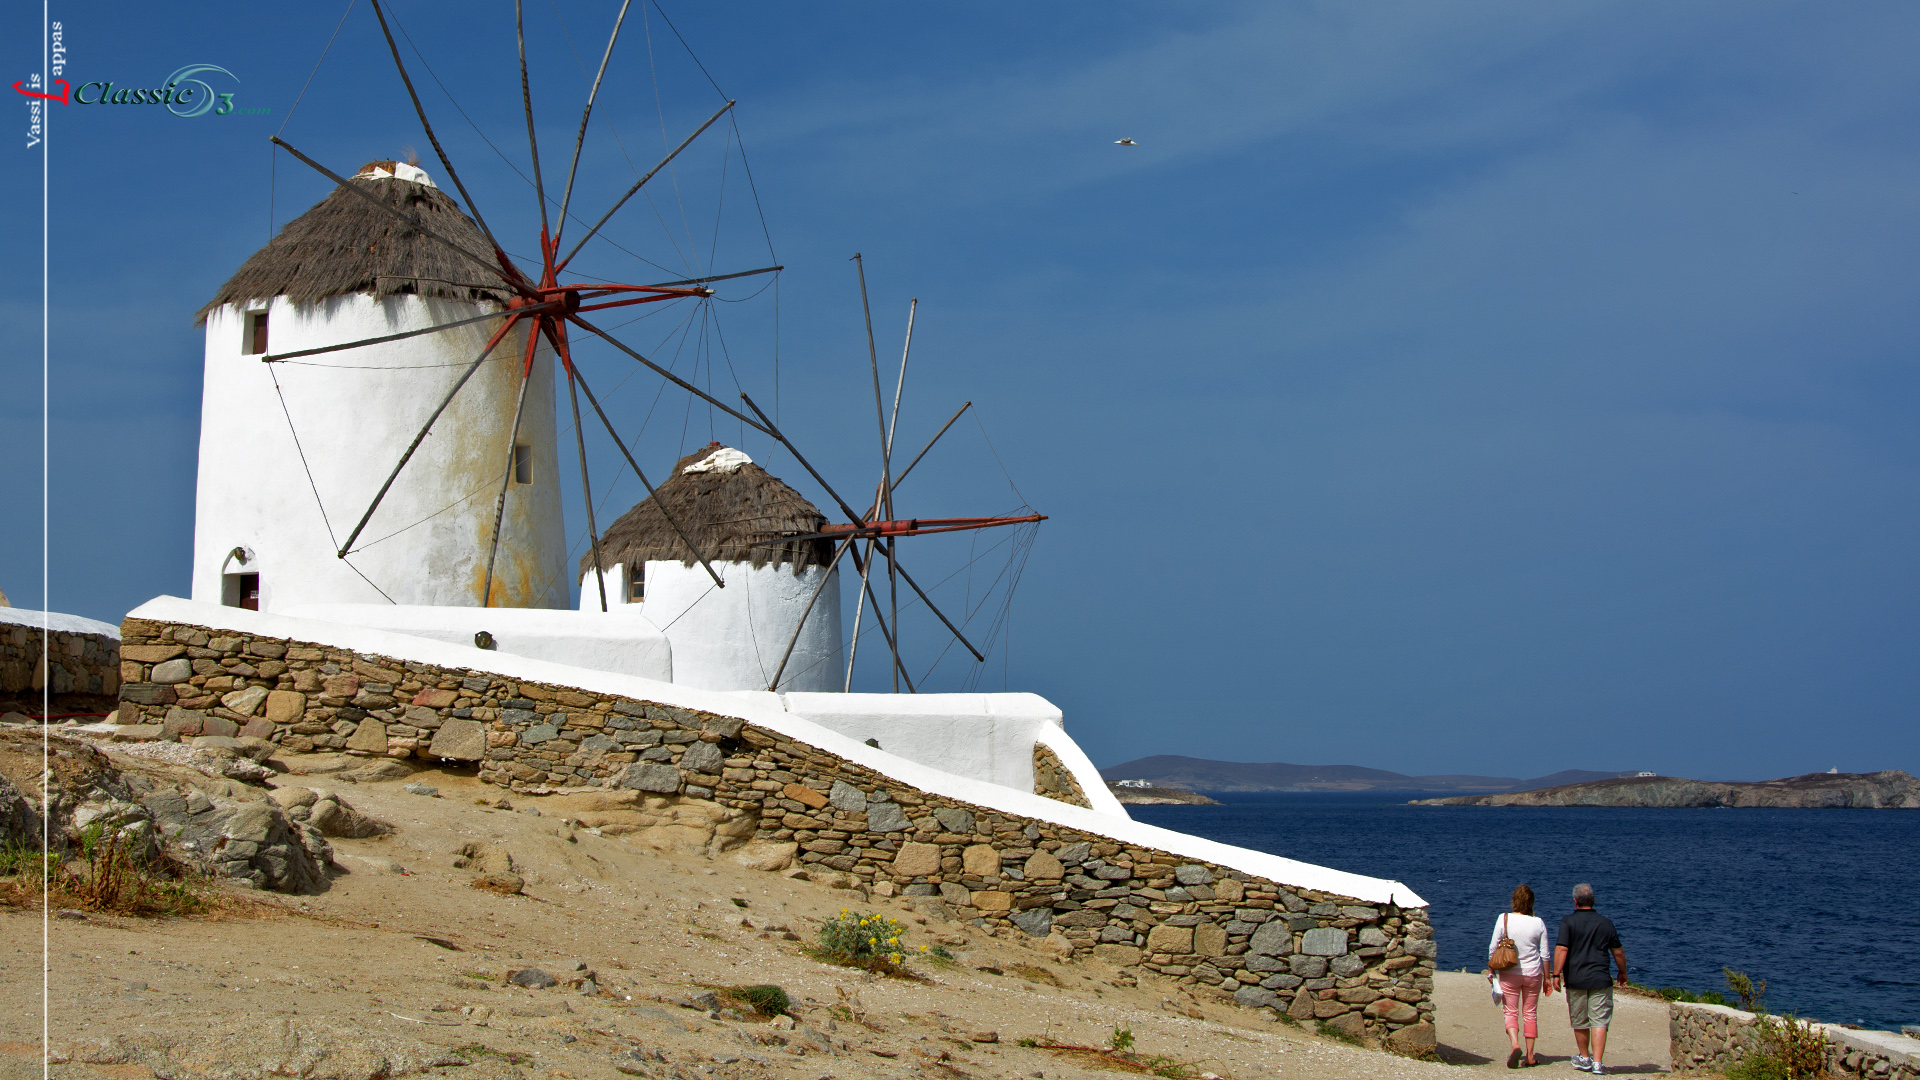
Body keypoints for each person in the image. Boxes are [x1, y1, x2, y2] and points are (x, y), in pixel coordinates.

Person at [1552, 883, 1627, 1075]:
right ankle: (1598, 1063)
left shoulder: (1568, 922)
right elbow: (1617, 951)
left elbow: (1562, 949)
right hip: (1600, 979)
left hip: (1576, 979)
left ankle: (1585, 1057)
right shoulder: (1606, 923)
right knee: (1599, 1020)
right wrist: (1622, 972)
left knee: (1579, 1020)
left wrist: (1555, 974)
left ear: (1575, 901)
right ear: (1593, 901)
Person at [1489, 884, 1552, 1068]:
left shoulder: (1504, 918)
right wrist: (1547, 978)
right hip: (1533, 973)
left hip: (1509, 972)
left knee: (1511, 1011)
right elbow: (1545, 954)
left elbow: (1493, 947)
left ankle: (1515, 1045)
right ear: (1531, 903)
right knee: (1530, 1013)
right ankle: (1531, 1056)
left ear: (1514, 901)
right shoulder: (1538, 923)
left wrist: (1491, 969)